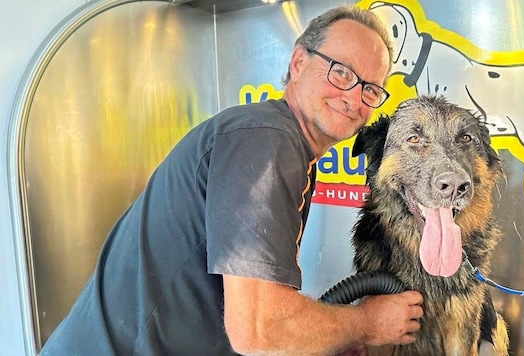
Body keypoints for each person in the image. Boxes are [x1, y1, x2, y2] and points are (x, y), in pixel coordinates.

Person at [41, 4, 424, 355]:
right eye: (341, 71)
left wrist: (329, 336)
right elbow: (260, 330)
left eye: (370, 89)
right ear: (297, 63)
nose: (353, 98)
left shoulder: (282, 145)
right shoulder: (264, 141)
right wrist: (366, 324)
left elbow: (254, 315)